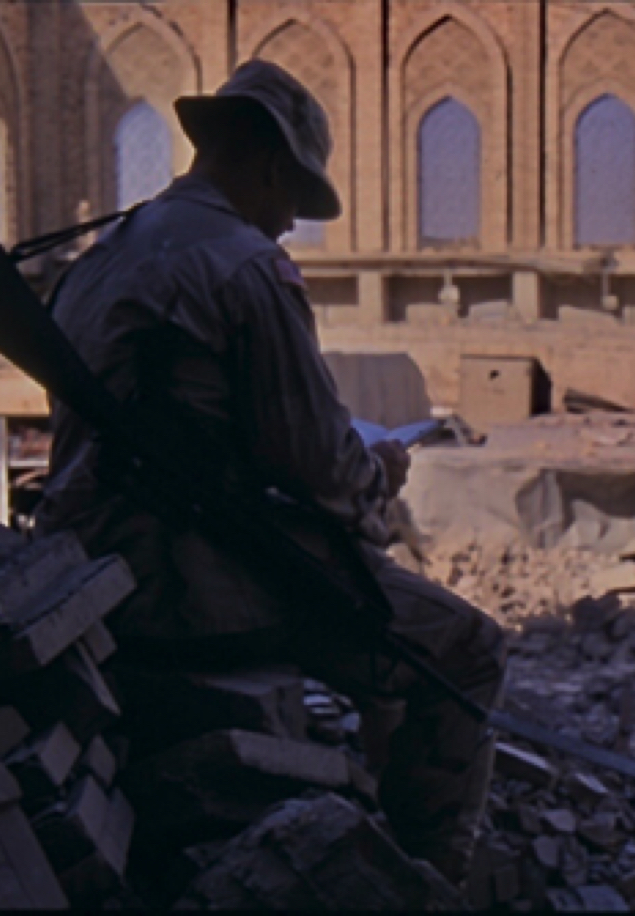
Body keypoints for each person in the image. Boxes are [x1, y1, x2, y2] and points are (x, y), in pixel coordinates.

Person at [33, 59, 506, 887]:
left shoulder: (102, 254)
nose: (290, 224)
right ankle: (428, 879)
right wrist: (380, 473)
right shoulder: (245, 266)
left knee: (373, 603)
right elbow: (321, 465)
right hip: (179, 583)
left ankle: (366, 832)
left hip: (86, 567)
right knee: (465, 648)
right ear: (265, 162)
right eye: (294, 199)